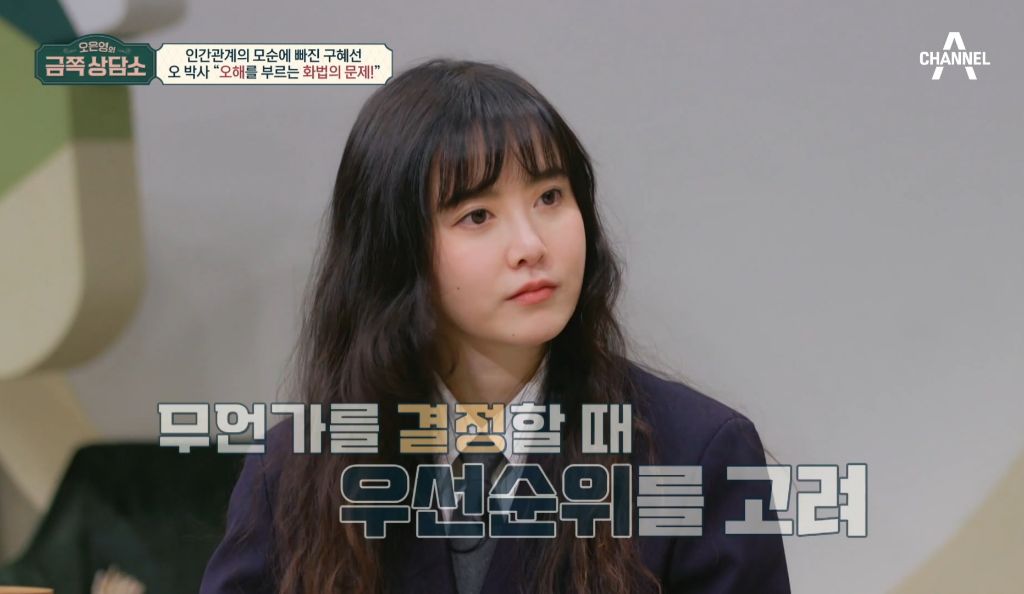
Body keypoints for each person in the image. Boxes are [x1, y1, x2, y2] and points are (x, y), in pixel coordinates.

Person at [199, 57, 791, 594]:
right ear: (394, 250)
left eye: (550, 197)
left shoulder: (696, 455)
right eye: (477, 215)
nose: (531, 245)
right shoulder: (293, 471)